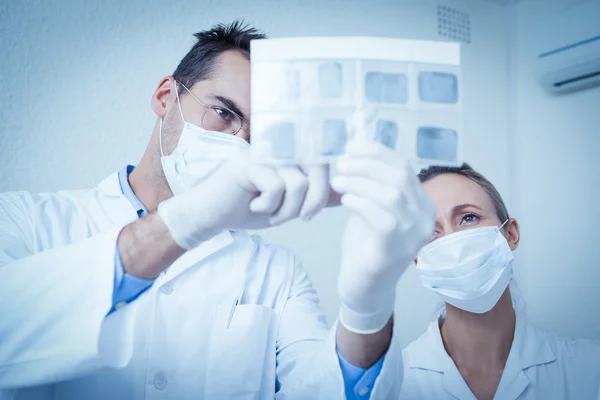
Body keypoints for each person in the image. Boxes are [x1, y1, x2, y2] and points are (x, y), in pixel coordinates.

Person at [0, 21, 436, 399]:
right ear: (166, 96)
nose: (240, 144)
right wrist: (185, 221)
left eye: (261, 134)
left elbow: (321, 390)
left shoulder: (277, 273)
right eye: (224, 113)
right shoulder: (27, 221)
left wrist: (368, 305)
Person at [398, 163, 600, 400]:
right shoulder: (394, 383)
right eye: (430, 231)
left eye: (469, 217)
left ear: (510, 234)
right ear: (417, 260)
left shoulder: (589, 371)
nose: (454, 242)